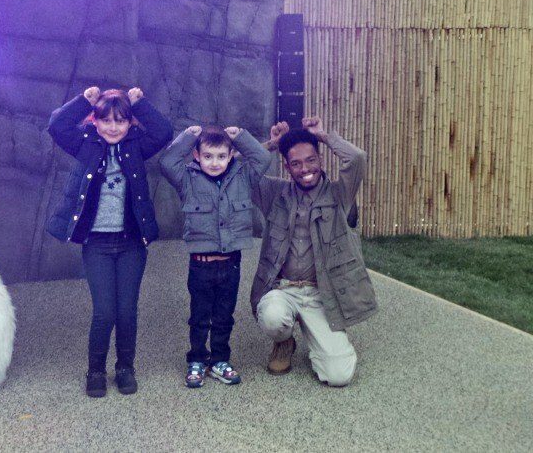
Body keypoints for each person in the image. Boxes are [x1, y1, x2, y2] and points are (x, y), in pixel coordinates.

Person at [47, 86, 173, 397]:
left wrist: (140, 103)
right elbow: (58, 126)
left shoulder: (136, 145)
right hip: (98, 246)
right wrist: (83, 101)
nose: (113, 127)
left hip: (131, 244)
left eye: (120, 121)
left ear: (130, 123)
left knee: (127, 310)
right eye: (106, 120)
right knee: (105, 312)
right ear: (95, 121)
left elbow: (163, 131)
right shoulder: (86, 143)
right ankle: (95, 370)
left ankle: (125, 367)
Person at [250, 117, 377, 387]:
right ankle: (284, 342)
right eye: (295, 163)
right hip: (283, 290)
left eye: (311, 160)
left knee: (339, 375)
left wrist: (322, 136)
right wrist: (273, 144)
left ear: (320, 160)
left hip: (321, 294)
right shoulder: (275, 193)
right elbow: (237, 170)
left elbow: (357, 159)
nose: (304, 169)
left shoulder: (339, 194)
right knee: (272, 318)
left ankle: (319, 337)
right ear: (286, 166)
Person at [160, 125, 270, 387]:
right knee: (199, 316)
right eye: (208, 156)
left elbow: (263, 159)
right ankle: (197, 359)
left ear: (231, 155)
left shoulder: (243, 177)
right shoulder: (187, 178)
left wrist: (240, 135)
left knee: (224, 315)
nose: (215, 162)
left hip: (230, 265)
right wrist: (189, 137)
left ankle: (220, 359)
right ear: (197, 156)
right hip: (200, 266)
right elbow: (167, 161)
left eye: (221, 156)